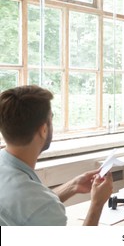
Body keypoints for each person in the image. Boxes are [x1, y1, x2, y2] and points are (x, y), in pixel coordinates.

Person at [0, 85, 113, 226]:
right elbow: (39, 208)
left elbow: (32, 208)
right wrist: (97, 204)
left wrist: (73, 186)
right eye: (51, 119)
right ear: (44, 130)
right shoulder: (41, 206)